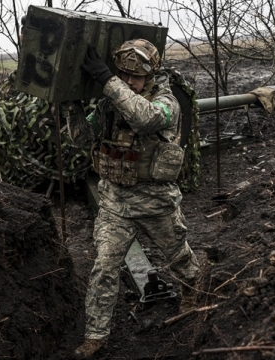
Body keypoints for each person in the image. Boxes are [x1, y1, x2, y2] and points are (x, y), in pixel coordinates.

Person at [75, 39, 200, 358]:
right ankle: (96, 335)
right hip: (116, 203)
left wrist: (108, 81)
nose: (129, 81)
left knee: (180, 258)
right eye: (123, 74)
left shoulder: (165, 102)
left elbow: (144, 118)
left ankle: (195, 296)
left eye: (136, 76)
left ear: (151, 75)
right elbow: (82, 136)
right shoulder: (110, 103)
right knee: (104, 266)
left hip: (156, 202)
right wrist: (73, 107)